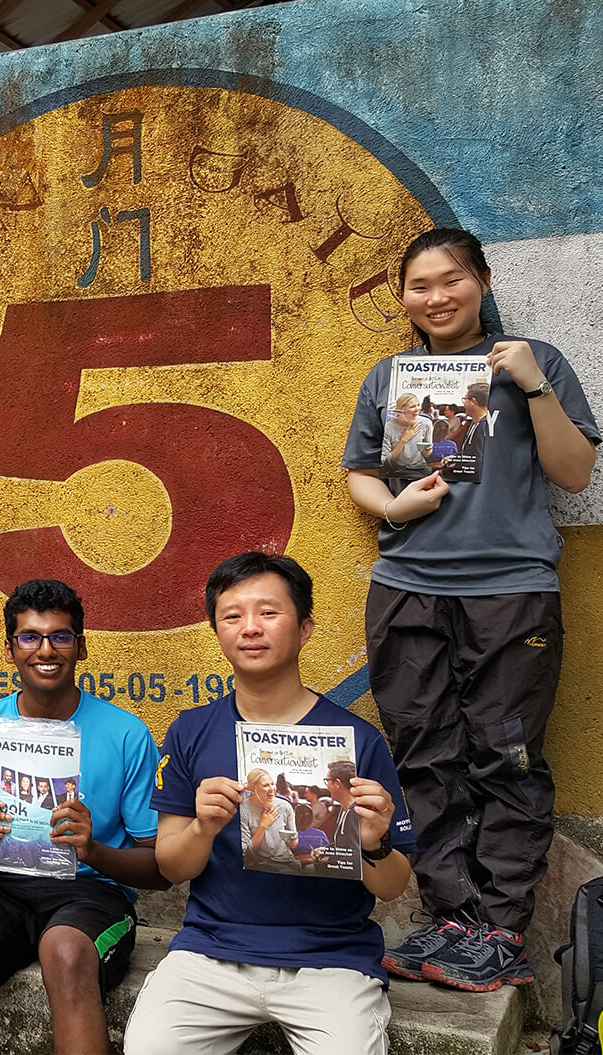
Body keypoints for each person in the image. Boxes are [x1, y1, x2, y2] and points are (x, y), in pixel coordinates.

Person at [341, 228, 598, 991]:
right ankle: (453, 918)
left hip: (510, 593)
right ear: (405, 298)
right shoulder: (393, 374)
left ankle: (502, 930)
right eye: (419, 285)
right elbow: (358, 471)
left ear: (482, 280)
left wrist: (532, 384)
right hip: (408, 588)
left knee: (507, 758)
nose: (436, 297)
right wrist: (397, 502)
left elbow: (575, 470)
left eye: (450, 279)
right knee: (424, 751)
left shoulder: (534, 360)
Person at [124, 552, 415, 1055]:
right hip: (212, 952)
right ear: (216, 632)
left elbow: (393, 886)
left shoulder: (356, 742)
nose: (250, 628)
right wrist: (202, 828)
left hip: (332, 959)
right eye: (232, 616)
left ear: (304, 629)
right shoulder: (191, 731)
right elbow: (170, 866)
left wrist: (372, 845)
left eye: (269, 612)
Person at [0, 579, 165, 1055]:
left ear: (80, 648)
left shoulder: (127, 734)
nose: (46, 649)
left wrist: (93, 850)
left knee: (64, 952)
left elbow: (158, 868)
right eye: (30, 637)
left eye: (61, 636)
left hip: (93, 893)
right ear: (10, 649)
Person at [240, 767, 297, 869]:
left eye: (272, 784)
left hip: (287, 861)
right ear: (254, 788)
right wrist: (263, 826)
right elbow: (246, 851)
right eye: (266, 785)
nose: (272, 789)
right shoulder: (244, 809)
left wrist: (292, 840)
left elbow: (294, 843)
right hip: (261, 864)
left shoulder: (285, 806)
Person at [381, 392, 429, 477]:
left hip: (419, 469)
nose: (417, 409)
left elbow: (427, 454)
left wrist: (428, 450)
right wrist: (403, 440)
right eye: (412, 406)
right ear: (401, 409)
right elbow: (386, 460)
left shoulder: (425, 423)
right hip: (397, 471)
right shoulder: (388, 428)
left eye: (418, 405)